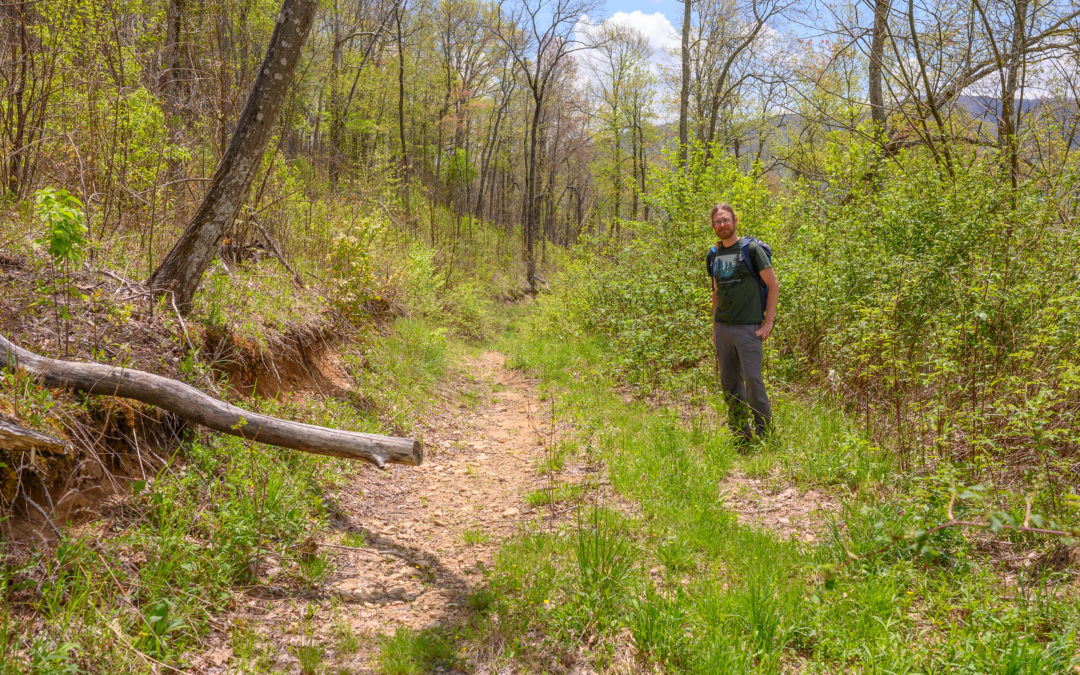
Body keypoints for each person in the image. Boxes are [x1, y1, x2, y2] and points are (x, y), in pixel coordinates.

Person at [705, 202, 778, 442]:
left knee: (753, 381)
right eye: (717, 221)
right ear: (713, 225)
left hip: (749, 328)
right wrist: (714, 326)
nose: (722, 225)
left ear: (735, 221)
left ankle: (765, 434)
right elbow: (716, 292)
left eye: (726, 220)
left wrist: (768, 323)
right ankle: (740, 433)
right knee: (729, 382)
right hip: (723, 327)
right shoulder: (714, 254)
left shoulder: (751, 249)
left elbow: (773, 285)